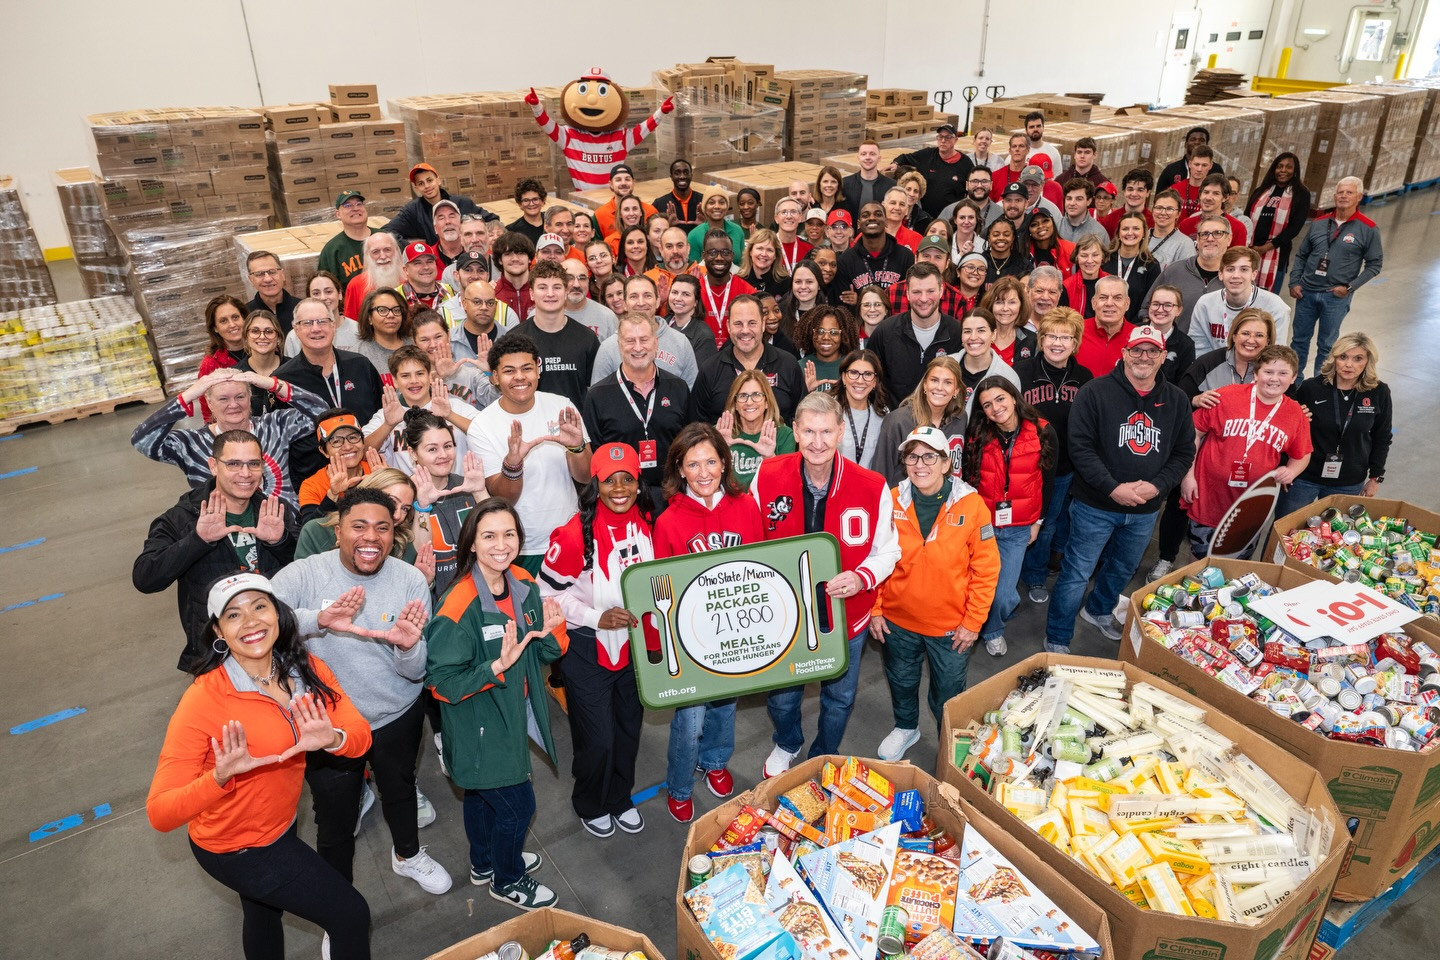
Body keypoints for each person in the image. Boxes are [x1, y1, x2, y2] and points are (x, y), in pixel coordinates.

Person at [146, 573, 374, 960]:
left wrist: (332, 738)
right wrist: (219, 777)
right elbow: (160, 812)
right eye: (234, 615)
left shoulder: (304, 671)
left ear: (279, 615)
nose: (251, 622)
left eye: (259, 607)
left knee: (263, 912)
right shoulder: (203, 701)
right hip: (238, 847)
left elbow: (360, 736)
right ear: (218, 630)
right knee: (351, 915)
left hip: (279, 823)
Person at [268, 487, 448, 897]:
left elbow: (416, 671)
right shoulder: (306, 573)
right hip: (328, 726)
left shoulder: (409, 581)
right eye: (359, 526)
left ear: (394, 534)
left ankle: (408, 856)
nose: (371, 537)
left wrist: (406, 647)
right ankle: (339, 902)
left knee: (400, 791)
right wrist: (320, 619)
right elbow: (259, 621)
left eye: (382, 528)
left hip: (395, 715)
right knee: (334, 819)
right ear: (338, 531)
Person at [425, 499, 566, 909]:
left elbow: (541, 654)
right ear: (470, 544)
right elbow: (440, 684)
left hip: (510, 713)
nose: (500, 545)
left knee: (480, 796)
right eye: (488, 536)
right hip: (479, 726)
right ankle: (508, 879)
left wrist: (555, 633)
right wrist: (495, 666)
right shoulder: (457, 608)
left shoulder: (523, 582)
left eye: (509, 534)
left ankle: (485, 861)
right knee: (518, 809)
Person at [752, 393, 900, 776]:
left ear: (839, 434)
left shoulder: (871, 485)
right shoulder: (767, 475)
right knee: (783, 698)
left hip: (846, 614)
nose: (817, 442)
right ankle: (787, 741)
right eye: (809, 432)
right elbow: (750, 538)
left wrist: (861, 577)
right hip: (785, 614)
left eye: (826, 432)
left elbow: (888, 550)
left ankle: (824, 752)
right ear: (796, 433)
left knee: (839, 697)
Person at [1045, 326, 1194, 650]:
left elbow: (1184, 452)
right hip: (1094, 506)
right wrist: (1113, 488)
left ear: (1162, 357)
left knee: (1122, 568)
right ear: (1124, 354)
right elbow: (1080, 447)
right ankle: (1057, 636)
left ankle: (1097, 610)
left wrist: (1157, 487)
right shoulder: (1095, 392)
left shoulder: (1177, 400)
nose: (1144, 357)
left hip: (1144, 510)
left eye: (1151, 351)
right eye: (1137, 350)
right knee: (1076, 573)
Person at [538, 443, 655, 838]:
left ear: (639, 483)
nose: (619, 488)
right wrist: (594, 618)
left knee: (628, 730)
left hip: (636, 648)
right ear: (596, 484)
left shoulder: (651, 521)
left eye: (628, 479)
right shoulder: (573, 534)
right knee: (598, 739)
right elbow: (546, 594)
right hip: (587, 648)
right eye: (609, 480)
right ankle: (589, 802)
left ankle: (620, 797)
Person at [652, 423, 764, 821]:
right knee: (690, 717)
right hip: (692, 637)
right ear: (679, 469)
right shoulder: (667, 521)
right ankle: (680, 784)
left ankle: (715, 761)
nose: (704, 472)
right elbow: (661, 587)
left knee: (726, 705)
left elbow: (760, 569)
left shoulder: (745, 505)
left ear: (724, 463)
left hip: (735, 632)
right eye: (693, 464)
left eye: (711, 462)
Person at [870, 424, 999, 762]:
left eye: (929, 456)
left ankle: (948, 739)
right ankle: (906, 727)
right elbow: (875, 556)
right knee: (901, 680)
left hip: (950, 628)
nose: (920, 464)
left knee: (948, 692)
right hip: (898, 622)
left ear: (946, 463)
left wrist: (973, 623)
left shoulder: (972, 506)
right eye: (912, 456)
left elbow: (986, 570)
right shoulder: (892, 499)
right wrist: (875, 609)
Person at [134, 429, 298, 671]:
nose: (245, 474)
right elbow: (145, 578)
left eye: (253, 464)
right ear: (213, 465)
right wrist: (198, 540)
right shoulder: (182, 518)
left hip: (279, 644)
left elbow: (304, 568)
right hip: (217, 657)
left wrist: (280, 541)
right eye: (233, 464)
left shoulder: (275, 510)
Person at [1150, 309, 1276, 578]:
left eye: (1259, 335)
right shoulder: (1209, 363)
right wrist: (1195, 400)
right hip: (1198, 453)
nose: (1251, 340)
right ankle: (1166, 557)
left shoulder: (1271, 371)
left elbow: (1287, 403)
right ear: (1233, 335)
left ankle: (1229, 565)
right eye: (1245, 332)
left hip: (1243, 459)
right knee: (1180, 502)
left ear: (1268, 340)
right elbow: (1178, 397)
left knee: (1238, 511)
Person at [468, 333, 591, 572]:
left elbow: (585, 477)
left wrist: (576, 447)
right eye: (509, 371)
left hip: (570, 536)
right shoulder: (482, 425)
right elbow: (504, 499)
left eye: (527, 368)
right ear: (495, 377)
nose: (520, 377)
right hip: (520, 546)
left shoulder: (561, 405)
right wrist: (513, 464)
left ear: (538, 369)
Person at [1181, 345, 1311, 556]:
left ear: (1294, 377)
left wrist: (1292, 471)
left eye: (1283, 373)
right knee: (1201, 563)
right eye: (1268, 372)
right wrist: (1188, 476)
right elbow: (1192, 434)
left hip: (1252, 506)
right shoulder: (1225, 396)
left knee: (1238, 566)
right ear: (1256, 373)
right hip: (1209, 498)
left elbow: (1303, 453)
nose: (1274, 379)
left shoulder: (1295, 413)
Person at [133, 369, 326, 509]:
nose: (233, 405)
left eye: (240, 396)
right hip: (223, 541)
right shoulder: (192, 444)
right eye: (223, 399)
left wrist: (274, 385)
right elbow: (142, 441)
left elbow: (324, 416)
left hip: (285, 529)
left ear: (250, 398)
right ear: (208, 402)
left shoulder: (275, 425)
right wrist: (187, 396)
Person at [962, 377, 1056, 657]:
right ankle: (979, 626)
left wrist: (1039, 522)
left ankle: (993, 628)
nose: (995, 408)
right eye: (987, 405)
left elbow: (1049, 482)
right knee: (974, 583)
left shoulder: (1043, 431)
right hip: (983, 524)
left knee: (1004, 594)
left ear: (1014, 397)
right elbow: (968, 479)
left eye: (1000, 399)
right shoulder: (977, 434)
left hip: (1018, 527)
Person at [1014, 308, 1092, 602]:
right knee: (1040, 524)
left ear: (1075, 343)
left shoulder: (1084, 377)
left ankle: (1047, 568)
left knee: (1060, 521)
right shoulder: (1021, 372)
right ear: (1041, 339)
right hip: (1031, 465)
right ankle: (1033, 577)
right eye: (1051, 336)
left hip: (1070, 466)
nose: (1057, 343)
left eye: (1065, 337)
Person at [581, 313, 690, 507]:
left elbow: (689, 445)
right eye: (630, 340)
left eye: (644, 340)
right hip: (621, 501)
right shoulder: (598, 396)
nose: (638, 347)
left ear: (656, 343)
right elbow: (596, 457)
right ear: (619, 345)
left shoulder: (679, 388)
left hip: (673, 497)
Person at [275, 298, 384, 485]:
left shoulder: (360, 365)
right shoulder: (283, 381)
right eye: (307, 323)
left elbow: (381, 415)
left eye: (322, 321)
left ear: (333, 326)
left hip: (368, 475)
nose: (316, 329)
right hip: (315, 484)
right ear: (296, 329)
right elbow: (280, 442)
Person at [1280, 333, 1391, 516]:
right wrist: (1286, 467)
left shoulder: (1378, 392)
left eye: (1358, 359)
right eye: (1343, 357)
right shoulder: (1312, 388)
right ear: (1334, 358)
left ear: (1367, 362)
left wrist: (1375, 478)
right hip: (1305, 477)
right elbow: (1288, 430)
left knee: (1333, 535)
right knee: (1285, 529)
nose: (1349, 364)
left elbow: (1382, 436)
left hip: (1348, 480)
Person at [1288, 176, 1384, 376]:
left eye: (1349, 193)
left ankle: (1320, 384)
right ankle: (1293, 383)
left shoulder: (1368, 228)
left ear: (1358, 197)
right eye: (1340, 192)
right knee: (1299, 341)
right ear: (1334, 196)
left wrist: (1350, 287)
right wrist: (1294, 281)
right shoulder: (1319, 223)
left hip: (1335, 297)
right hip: (1306, 292)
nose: (1343, 196)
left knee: (1327, 345)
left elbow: (1375, 264)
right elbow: (1302, 254)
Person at [689, 295, 806, 424]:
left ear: (762, 324)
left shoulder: (788, 364)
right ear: (728, 326)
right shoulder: (710, 369)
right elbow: (697, 426)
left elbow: (802, 418)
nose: (745, 331)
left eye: (752, 323)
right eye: (738, 324)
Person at [364, 347, 478, 473]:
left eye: (420, 374)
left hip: (457, 488)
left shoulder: (453, 406)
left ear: (430, 376)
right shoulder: (386, 415)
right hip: (409, 490)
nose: (414, 381)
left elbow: (487, 434)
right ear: (395, 381)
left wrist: (450, 415)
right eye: (405, 376)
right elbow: (362, 452)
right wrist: (388, 425)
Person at [868, 262, 963, 404]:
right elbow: (870, 380)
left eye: (930, 291)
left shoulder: (957, 333)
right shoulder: (885, 332)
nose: (923, 299)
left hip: (942, 423)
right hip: (895, 422)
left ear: (941, 291)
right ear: (907, 293)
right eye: (917, 292)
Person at [512, 260, 601, 408]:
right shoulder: (515, 340)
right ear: (532, 293)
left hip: (577, 426)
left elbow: (596, 392)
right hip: (532, 427)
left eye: (557, 287)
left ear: (566, 292)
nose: (550, 294)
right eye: (542, 287)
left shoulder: (587, 338)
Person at [589, 275, 701, 386]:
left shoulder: (681, 343)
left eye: (647, 296)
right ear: (624, 304)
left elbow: (692, 392)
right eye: (634, 296)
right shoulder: (607, 348)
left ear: (657, 301)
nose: (641, 303)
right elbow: (599, 397)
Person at [874, 355, 967, 487]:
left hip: (948, 503)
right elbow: (880, 474)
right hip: (904, 503)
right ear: (925, 385)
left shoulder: (960, 418)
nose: (940, 387)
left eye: (948, 382)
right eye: (934, 380)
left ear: (956, 390)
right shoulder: (897, 421)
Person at [294, 468, 420, 564]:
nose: (398, 515)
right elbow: (303, 587)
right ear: (369, 492)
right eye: (392, 501)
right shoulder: (316, 531)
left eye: (405, 509)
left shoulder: (401, 542)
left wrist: (425, 581)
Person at [1190, 246, 1291, 354]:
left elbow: (1275, 355)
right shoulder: (1205, 304)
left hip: (1257, 369)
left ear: (1254, 274)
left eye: (1244, 269)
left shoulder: (1276, 308)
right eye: (1230, 269)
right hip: (1215, 368)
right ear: (1220, 274)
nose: (1236, 275)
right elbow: (1198, 350)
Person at [1139, 212, 1228, 332]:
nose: (1210, 239)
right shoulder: (1175, 271)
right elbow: (1146, 309)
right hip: (1175, 348)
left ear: (1229, 239)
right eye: (1205, 234)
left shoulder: (1237, 278)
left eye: (1218, 233)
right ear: (1197, 239)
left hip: (1217, 349)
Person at [297, 409, 387, 524]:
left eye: (353, 437)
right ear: (323, 451)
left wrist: (387, 485)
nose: (348, 446)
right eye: (336, 441)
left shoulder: (378, 470)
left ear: (363, 442)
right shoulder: (312, 485)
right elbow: (309, 530)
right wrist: (333, 494)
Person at [717, 370, 798, 490]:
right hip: (730, 503)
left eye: (756, 395)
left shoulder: (784, 435)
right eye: (743, 396)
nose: (749, 402)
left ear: (766, 402)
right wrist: (720, 451)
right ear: (735, 404)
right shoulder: (720, 433)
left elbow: (787, 484)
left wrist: (770, 458)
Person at [1246, 153, 1312, 294]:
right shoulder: (1261, 191)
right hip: (1250, 251)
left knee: (1266, 300)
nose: (1283, 170)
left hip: (1276, 254)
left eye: (1288, 167)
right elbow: (1246, 218)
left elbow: (1294, 228)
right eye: (1279, 166)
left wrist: (1266, 247)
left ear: (1295, 171)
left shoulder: (1301, 194)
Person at [385, 163, 495, 246]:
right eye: (421, 183)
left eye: (429, 180)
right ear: (416, 188)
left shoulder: (462, 203)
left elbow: (493, 221)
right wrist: (414, 246)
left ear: (438, 180)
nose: (427, 186)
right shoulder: (412, 211)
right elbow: (386, 232)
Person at [886, 124, 975, 221]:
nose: (943, 140)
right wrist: (895, 163)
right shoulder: (927, 155)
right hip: (925, 218)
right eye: (940, 137)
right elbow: (905, 157)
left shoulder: (966, 164)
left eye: (948, 137)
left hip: (951, 220)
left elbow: (972, 191)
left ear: (956, 140)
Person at [412, 312, 497, 409]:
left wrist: (490, 373)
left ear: (448, 336)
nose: (432, 344)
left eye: (438, 337)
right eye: (424, 340)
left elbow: (496, 404)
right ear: (415, 342)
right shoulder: (412, 380)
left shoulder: (471, 375)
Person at [836, 201, 915, 296]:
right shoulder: (845, 261)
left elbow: (910, 297)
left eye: (878, 214)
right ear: (859, 224)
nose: (872, 218)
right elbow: (844, 305)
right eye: (866, 215)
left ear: (886, 221)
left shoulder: (906, 256)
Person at [956, 308, 1022, 414]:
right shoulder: (944, 366)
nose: (973, 337)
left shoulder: (1008, 377)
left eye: (981, 330)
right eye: (967, 331)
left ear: (993, 335)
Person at [836, 349, 890, 471]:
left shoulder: (883, 414)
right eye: (854, 373)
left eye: (867, 374)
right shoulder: (828, 409)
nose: (860, 381)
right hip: (835, 486)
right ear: (844, 377)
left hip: (870, 486)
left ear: (875, 381)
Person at [1103, 212, 1161, 323]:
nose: (1130, 233)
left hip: (1134, 327)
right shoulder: (1105, 260)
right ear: (1118, 233)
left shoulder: (1151, 265)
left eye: (1136, 229)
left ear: (1144, 233)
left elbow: (1151, 302)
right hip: (1104, 323)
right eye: (1125, 229)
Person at [698, 230, 757, 339]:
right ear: (704, 256)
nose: (719, 258)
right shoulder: (694, 290)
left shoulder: (748, 292)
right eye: (712, 253)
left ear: (732, 255)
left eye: (725, 253)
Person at [317, 190, 377, 294]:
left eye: (359, 204)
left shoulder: (385, 238)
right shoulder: (331, 250)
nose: (355, 208)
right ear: (338, 214)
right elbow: (326, 289)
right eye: (348, 205)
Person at [290, 272, 361, 359]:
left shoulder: (359, 330)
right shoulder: (295, 336)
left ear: (340, 294)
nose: (323, 297)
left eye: (328, 291)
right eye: (316, 293)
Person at [1074, 275, 1133, 377]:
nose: (1109, 303)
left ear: (1127, 304)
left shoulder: (1138, 337)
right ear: (1094, 303)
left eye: (1117, 298)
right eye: (1103, 297)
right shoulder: (1075, 330)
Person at [197, 295, 250, 407]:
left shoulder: (263, 348)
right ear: (215, 328)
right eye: (223, 321)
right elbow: (207, 407)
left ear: (244, 319)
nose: (232, 325)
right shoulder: (210, 364)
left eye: (235, 317)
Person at [450, 279, 518, 366]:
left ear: (496, 306)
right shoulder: (450, 341)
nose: (484, 307)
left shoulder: (511, 339)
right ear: (464, 304)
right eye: (477, 302)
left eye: (490, 303)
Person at [795, 304, 858, 396]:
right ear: (810, 334)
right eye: (820, 331)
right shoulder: (799, 367)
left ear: (844, 335)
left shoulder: (853, 366)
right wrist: (805, 392)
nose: (826, 337)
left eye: (833, 332)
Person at [342, 232, 403, 322]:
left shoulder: (409, 280)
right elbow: (350, 324)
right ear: (367, 256)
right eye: (375, 252)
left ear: (396, 251)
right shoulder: (355, 285)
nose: (382, 256)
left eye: (387, 250)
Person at [353, 287, 413, 376]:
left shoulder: (415, 346)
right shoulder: (358, 354)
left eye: (396, 310)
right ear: (369, 318)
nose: (391, 315)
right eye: (382, 310)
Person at [1178, 173, 1250, 246]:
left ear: (1225, 197)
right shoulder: (1185, 225)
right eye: (1206, 192)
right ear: (1200, 194)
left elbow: (1237, 257)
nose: (1208, 198)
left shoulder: (1237, 228)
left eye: (1216, 193)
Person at [1144, 284, 1196, 384]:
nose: (1160, 309)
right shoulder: (1133, 331)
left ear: (1179, 310)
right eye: (1155, 304)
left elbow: (1183, 385)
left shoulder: (1186, 345)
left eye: (1168, 305)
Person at [238, 310, 288, 414]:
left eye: (269, 331)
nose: (262, 336)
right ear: (246, 337)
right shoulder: (236, 375)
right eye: (255, 331)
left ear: (278, 337)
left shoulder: (294, 369)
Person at [982, 276, 1037, 366]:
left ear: (1021, 305)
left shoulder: (1032, 341)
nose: (1005, 308)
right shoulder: (979, 336)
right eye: (999, 302)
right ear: (990, 304)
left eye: (1012, 302)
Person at [245, 252, 303, 336]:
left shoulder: (302, 309)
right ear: (251, 280)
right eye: (259, 274)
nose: (267, 279)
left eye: (272, 272)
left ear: (282, 274)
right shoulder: (245, 314)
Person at [593, 164, 657, 238]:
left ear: (633, 182)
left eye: (627, 179)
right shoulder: (600, 215)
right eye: (618, 180)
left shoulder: (651, 211)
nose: (623, 183)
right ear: (611, 184)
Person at [666, 274, 718, 365]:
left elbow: (701, 377)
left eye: (686, 294)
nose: (678, 298)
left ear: (696, 302)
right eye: (674, 292)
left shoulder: (704, 337)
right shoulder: (660, 325)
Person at [841, 140, 897, 220]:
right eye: (863, 154)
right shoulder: (845, 184)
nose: (867, 157)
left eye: (872, 154)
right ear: (858, 158)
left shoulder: (891, 186)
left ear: (879, 158)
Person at [1144, 189, 1196, 269]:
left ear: (1178, 214)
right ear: (1153, 210)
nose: (1163, 213)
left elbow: (1186, 276)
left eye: (1170, 209)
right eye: (1159, 208)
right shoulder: (1140, 237)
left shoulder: (1185, 244)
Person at [1157, 128, 1224, 190]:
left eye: (1202, 140)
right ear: (1186, 144)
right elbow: (1159, 197)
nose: (1197, 142)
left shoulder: (1216, 170)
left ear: (1207, 145)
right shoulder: (1171, 169)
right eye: (1193, 139)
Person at [737, 228, 792, 300]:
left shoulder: (786, 283)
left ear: (775, 255)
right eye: (760, 248)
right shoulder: (738, 281)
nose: (764, 254)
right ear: (750, 251)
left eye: (769, 250)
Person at [492, 232, 537, 319]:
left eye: (520, 253)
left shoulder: (542, 290)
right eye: (508, 254)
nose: (515, 259)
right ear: (500, 260)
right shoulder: (492, 293)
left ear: (530, 258)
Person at [1061, 234, 1107, 318]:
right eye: (1084, 255)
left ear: (1102, 257)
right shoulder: (1066, 287)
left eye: (1095, 255)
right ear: (1077, 257)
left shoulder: (1113, 284)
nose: (1089, 260)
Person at [1099, 168, 1155, 237]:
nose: (1134, 194)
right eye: (1130, 189)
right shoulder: (1108, 221)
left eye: (1140, 190)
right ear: (1124, 191)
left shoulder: (1154, 222)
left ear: (1148, 193)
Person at [779, 260, 827, 337]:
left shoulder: (829, 315)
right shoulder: (780, 314)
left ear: (819, 285)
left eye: (809, 282)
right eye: (798, 282)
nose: (803, 287)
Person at [1057, 179, 1108, 246]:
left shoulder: (1099, 233)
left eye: (1079, 199)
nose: (1072, 203)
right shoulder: (1055, 227)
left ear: (1089, 201)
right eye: (1069, 198)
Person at [1023, 209, 1072, 278]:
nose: (1040, 226)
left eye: (1045, 221)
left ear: (1053, 223)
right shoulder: (1023, 253)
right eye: (1034, 224)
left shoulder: (1071, 249)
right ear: (1029, 231)